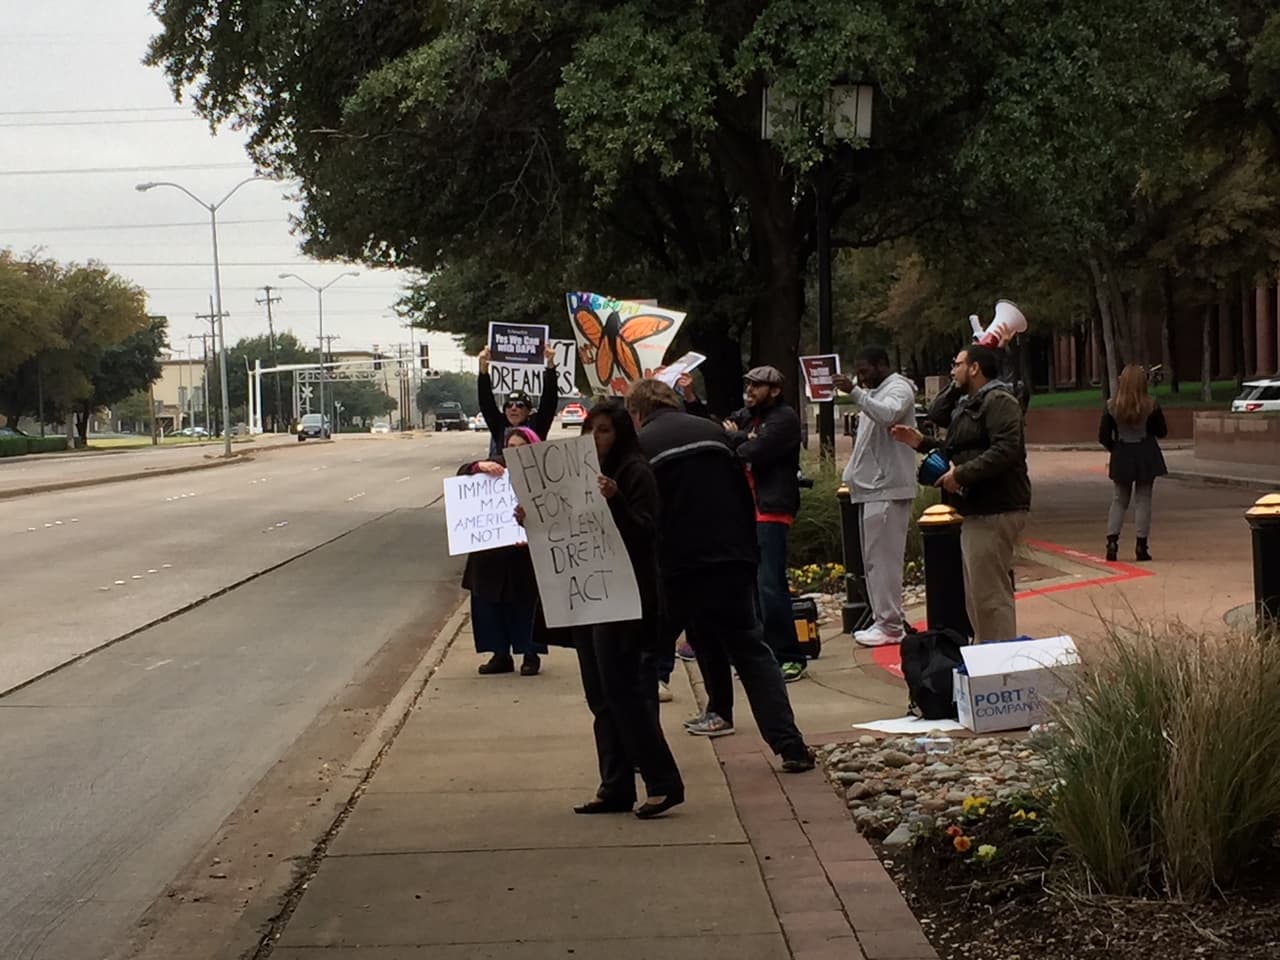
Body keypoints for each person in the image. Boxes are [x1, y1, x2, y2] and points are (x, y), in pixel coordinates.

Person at [627, 378, 814, 773]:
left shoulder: (641, 445)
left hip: (674, 564)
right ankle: (789, 744)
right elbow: (744, 492)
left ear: (637, 411)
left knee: (645, 657)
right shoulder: (714, 433)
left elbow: (638, 513)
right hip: (730, 559)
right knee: (750, 650)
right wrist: (746, 552)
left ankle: (644, 756)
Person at [569, 399, 684, 818]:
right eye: (589, 430)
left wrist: (615, 499)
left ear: (620, 434)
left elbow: (646, 532)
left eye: (603, 430)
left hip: (623, 597)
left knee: (625, 693)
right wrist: (533, 520)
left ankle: (662, 782)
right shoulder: (576, 476)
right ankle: (614, 785)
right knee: (600, 696)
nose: (595, 438)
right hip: (584, 594)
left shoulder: (634, 471)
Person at [891, 345, 1031, 644]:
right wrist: (923, 443)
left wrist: (960, 475)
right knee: (978, 595)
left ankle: (998, 664)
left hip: (995, 507)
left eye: (957, 365)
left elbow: (1006, 450)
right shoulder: (971, 402)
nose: (952, 371)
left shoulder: (999, 401)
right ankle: (987, 656)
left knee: (990, 595)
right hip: (976, 506)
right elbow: (942, 419)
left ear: (975, 368)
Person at [723, 366, 807, 682]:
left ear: (774, 390)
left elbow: (754, 451)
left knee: (770, 585)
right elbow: (725, 433)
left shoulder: (784, 419)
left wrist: (738, 438)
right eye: (749, 385)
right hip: (748, 510)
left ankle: (789, 656)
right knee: (753, 588)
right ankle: (763, 655)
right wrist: (741, 436)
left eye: (757, 386)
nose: (750, 391)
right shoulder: (750, 416)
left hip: (772, 509)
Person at [833, 347, 919, 647]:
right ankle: (885, 619)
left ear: (883, 365)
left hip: (887, 489)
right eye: (858, 371)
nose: (860, 377)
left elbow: (889, 415)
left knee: (884, 559)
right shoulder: (878, 391)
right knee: (874, 559)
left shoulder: (898, 388)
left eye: (865, 370)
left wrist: (855, 392)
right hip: (873, 488)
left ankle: (891, 625)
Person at [458, 426, 548, 676]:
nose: (515, 452)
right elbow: (462, 474)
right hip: (491, 556)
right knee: (490, 605)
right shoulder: (493, 467)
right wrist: (478, 467)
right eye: (511, 447)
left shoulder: (542, 473)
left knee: (526, 606)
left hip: (525, 556)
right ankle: (500, 654)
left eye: (522, 447)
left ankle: (530, 654)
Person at [1099, 364, 1167, 562]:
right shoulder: (1151, 405)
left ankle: (1112, 543)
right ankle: (1141, 546)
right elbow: (1162, 431)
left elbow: (1103, 436)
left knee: (1119, 499)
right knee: (1143, 499)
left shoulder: (1112, 405)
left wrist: (1116, 448)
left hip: (1122, 451)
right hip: (1145, 452)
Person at [477, 343, 559, 457]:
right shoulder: (499, 426)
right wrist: (483, 370)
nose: (513, 408)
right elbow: (486, 402)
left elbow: (549, 401)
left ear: (528, 411)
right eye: (509, 405)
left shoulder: (537, 425)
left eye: (520, 405)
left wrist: (550, 365)